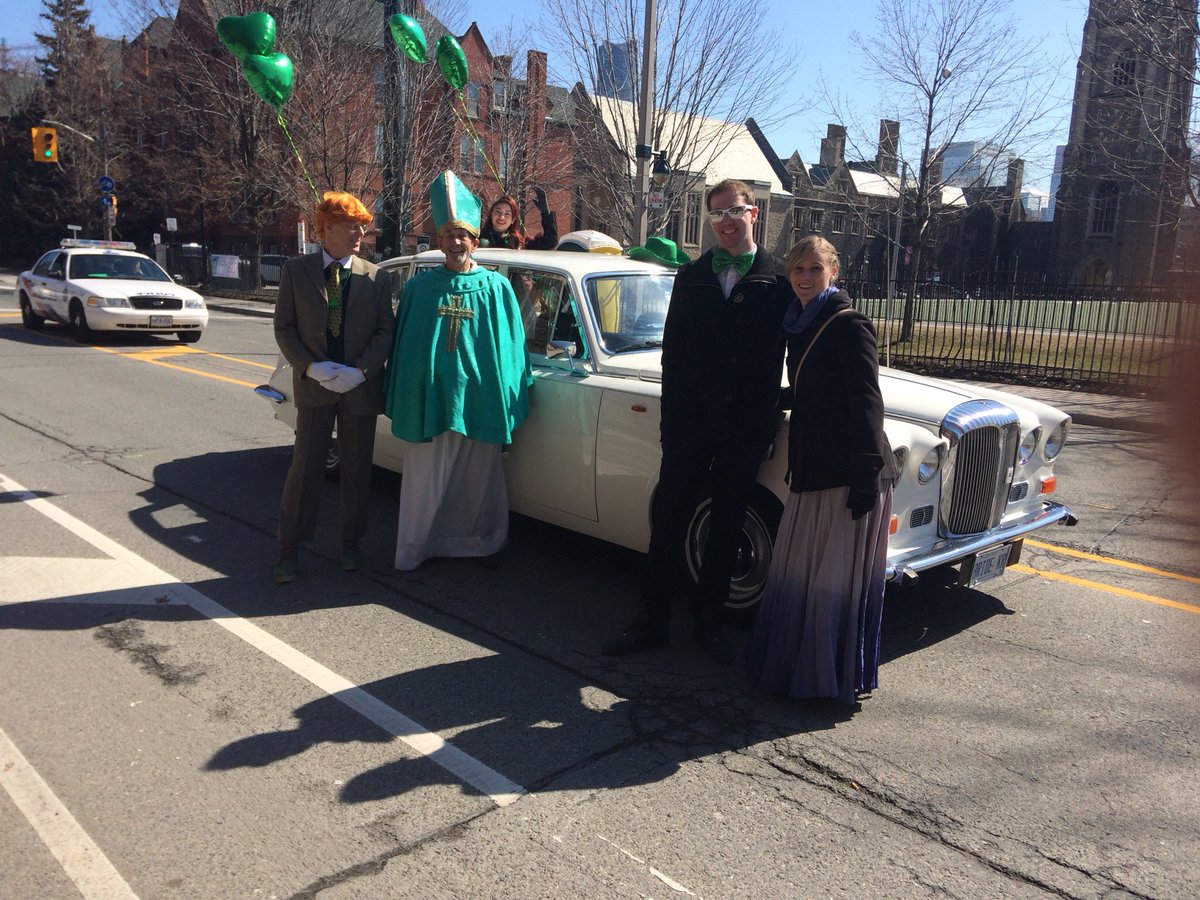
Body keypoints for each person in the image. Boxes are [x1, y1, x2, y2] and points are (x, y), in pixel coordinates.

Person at [602, 179, 790, 663]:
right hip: (690, 425)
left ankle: (709, 625)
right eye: (717, 214)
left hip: (744, 428)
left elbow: (795, 352)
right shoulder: (692, 276)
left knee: (727, 527)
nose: (726, 221)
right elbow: (674, 356)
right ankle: (651, 621)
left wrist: (770, 415)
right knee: (668, 522)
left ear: (754, 214)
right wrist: (673, 422)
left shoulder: (779, 279)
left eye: (735, 211)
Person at [743, 235, 897, 706]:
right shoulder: (802, 323)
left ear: (834, 273)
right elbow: (818, 389)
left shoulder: (847, 325)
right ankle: (797, 669)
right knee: (801, 576)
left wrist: (867, 475)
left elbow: (868, 402)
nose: (805, 278)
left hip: (847, 471)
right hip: (813, 465)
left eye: (814, 269)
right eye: (797, 270)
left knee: (828, 581)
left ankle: (824, 678)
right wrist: (778, 399)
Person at [384, 171, 533, 570]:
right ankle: (417, 547)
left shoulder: (497, 288)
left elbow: (510, 348)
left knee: (475, 478)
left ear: (475, 241)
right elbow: (406, 347)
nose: (456, 243)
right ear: (439, 241)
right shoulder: (420, 287)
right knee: (425, 478)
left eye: (463, 235)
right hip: (430, 399)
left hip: (478, 399)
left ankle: (475, 542)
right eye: (448, 235)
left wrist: (507, 393)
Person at [272, 191, 397, 583]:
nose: (359, 232)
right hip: (315, 387)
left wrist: (361, 371)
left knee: (357, 472)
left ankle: (350, 544)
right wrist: (310, 368)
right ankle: (288, 549)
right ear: (324, 229)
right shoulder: (296, 271)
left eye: (362, 225)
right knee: (305, 469)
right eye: (350, 225)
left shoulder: (376, 277)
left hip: (359, 389)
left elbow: (384, 331)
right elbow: (284, 328)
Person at [479, 187, 558, 250]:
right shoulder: (478, 238)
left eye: (507, 214)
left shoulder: (518, 242)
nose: (501, 217)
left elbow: (550, 242)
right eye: (498, 212)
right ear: (491, 214)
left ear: (513, 220)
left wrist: (546, 213)